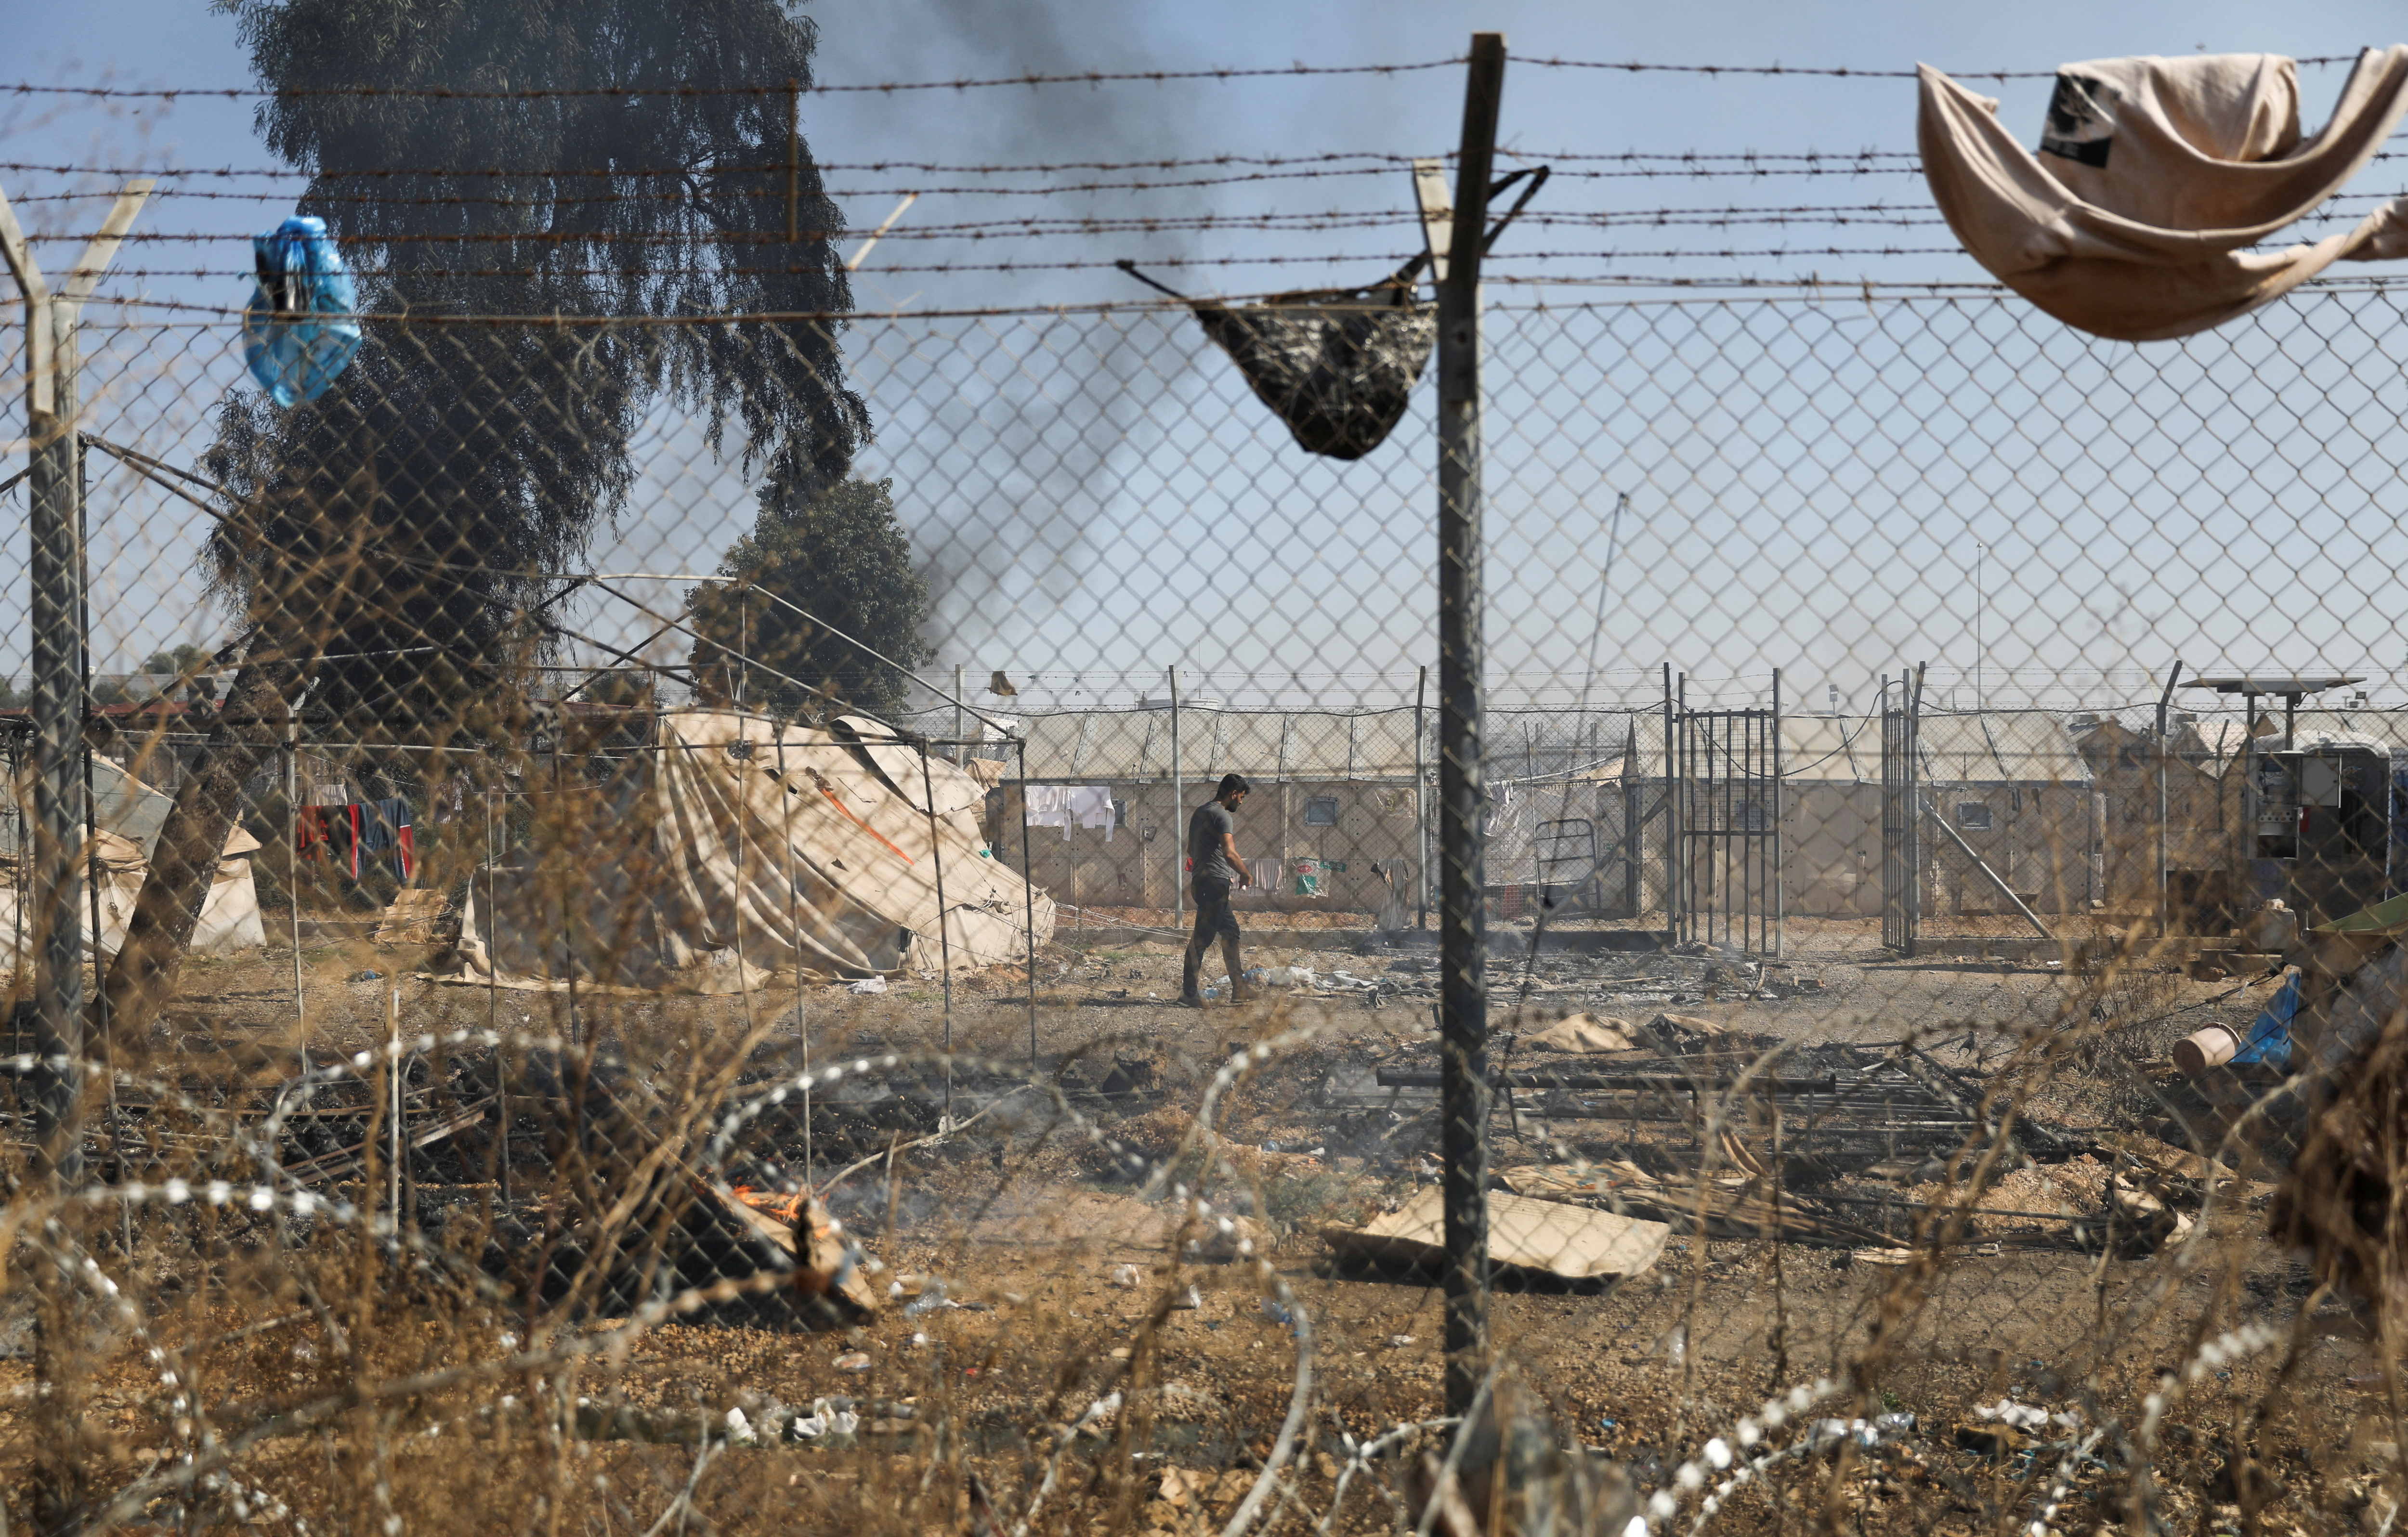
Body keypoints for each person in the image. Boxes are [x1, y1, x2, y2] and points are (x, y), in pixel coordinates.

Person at [1181, 772, 1254, 1007]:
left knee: (1231, 933)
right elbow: (1229, 852)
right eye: (1241, 797)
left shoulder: (1200, 812)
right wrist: (1245, 874)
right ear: (1233, 794)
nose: (1241, 802)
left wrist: (1216, 871)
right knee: (1201, 941)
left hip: (1204, 881)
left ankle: (1239, 989)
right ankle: (1189, 994)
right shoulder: (1222, 816)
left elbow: (1191, 850)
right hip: (1214, 884)